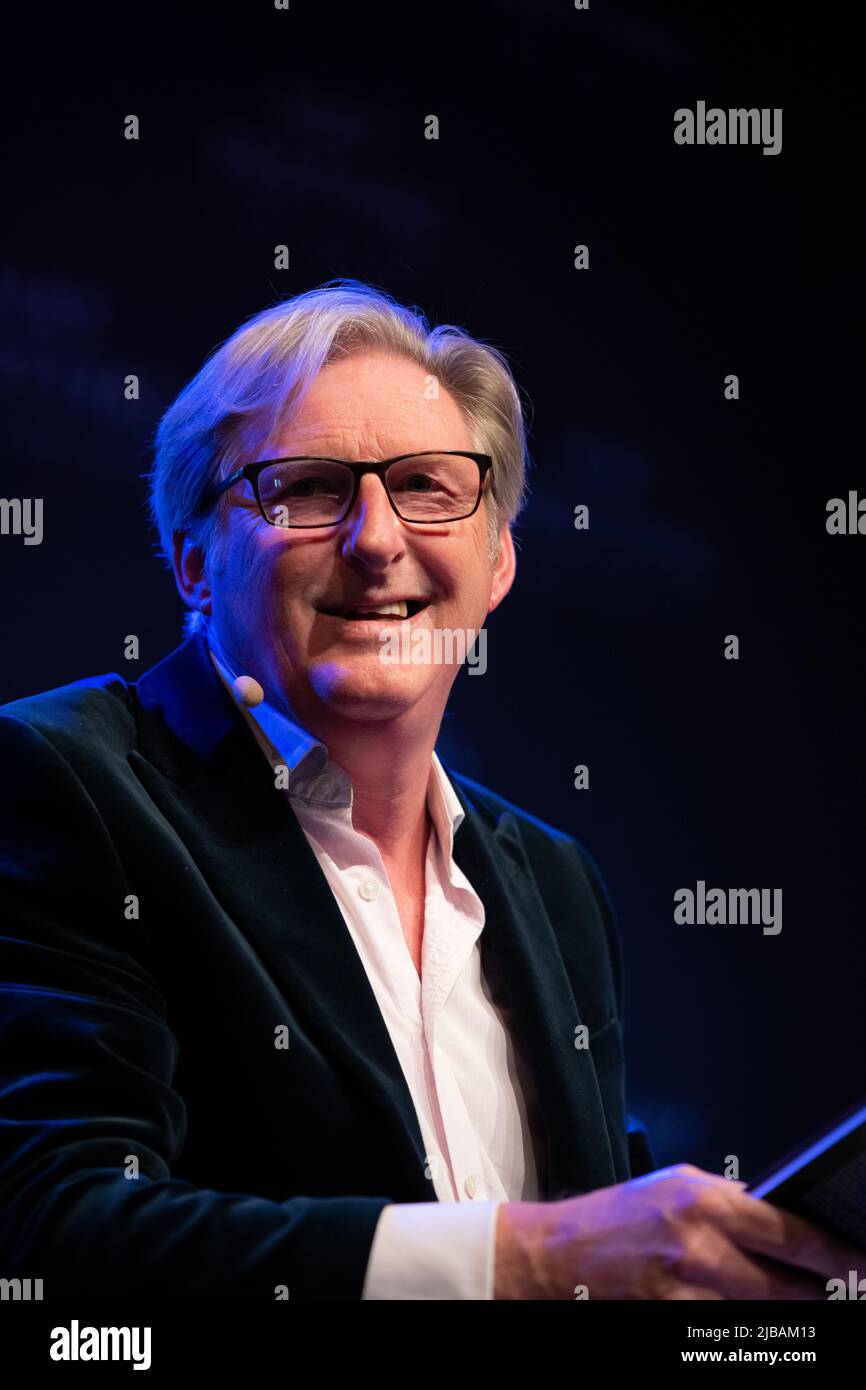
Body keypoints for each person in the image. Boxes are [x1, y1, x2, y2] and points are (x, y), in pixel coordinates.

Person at [0, 280, 858, 1299]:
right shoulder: (63, 779)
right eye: (309, 487)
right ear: (194, 562)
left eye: (426, 485)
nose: (374, 539)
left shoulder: (551, 882)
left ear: (495, 560)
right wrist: (528, 1257)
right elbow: (55, 1231)